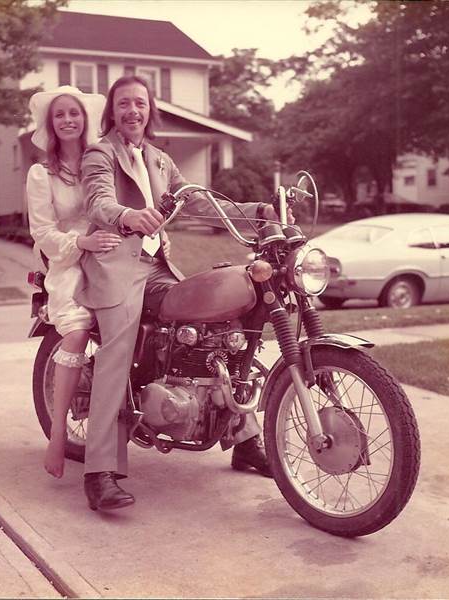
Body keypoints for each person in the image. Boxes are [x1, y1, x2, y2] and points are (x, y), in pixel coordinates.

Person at [76, 75, 293, 511]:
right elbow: (96, 200)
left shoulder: (159, 160)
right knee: (116, 354)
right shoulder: (100, 153)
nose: (132, 111)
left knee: (228, 337)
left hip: (157, 267)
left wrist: (258, 211)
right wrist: (127, 216)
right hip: (117, 266)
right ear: (112, 111)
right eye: (124, 104)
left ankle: (244, 440)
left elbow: (198, 203)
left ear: (150, 110)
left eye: (140, 103)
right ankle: (99, 472)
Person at [26, 85, 122, 479]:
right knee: (78, 330)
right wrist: (81, 242)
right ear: (51, 125)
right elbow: (42, 233)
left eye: (75, 113)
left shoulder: (101, 160)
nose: (68, 119)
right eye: (60, 115)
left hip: (113, 253)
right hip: (69, 259)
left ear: (85, 120)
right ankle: (57, 434)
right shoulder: (41, 173)